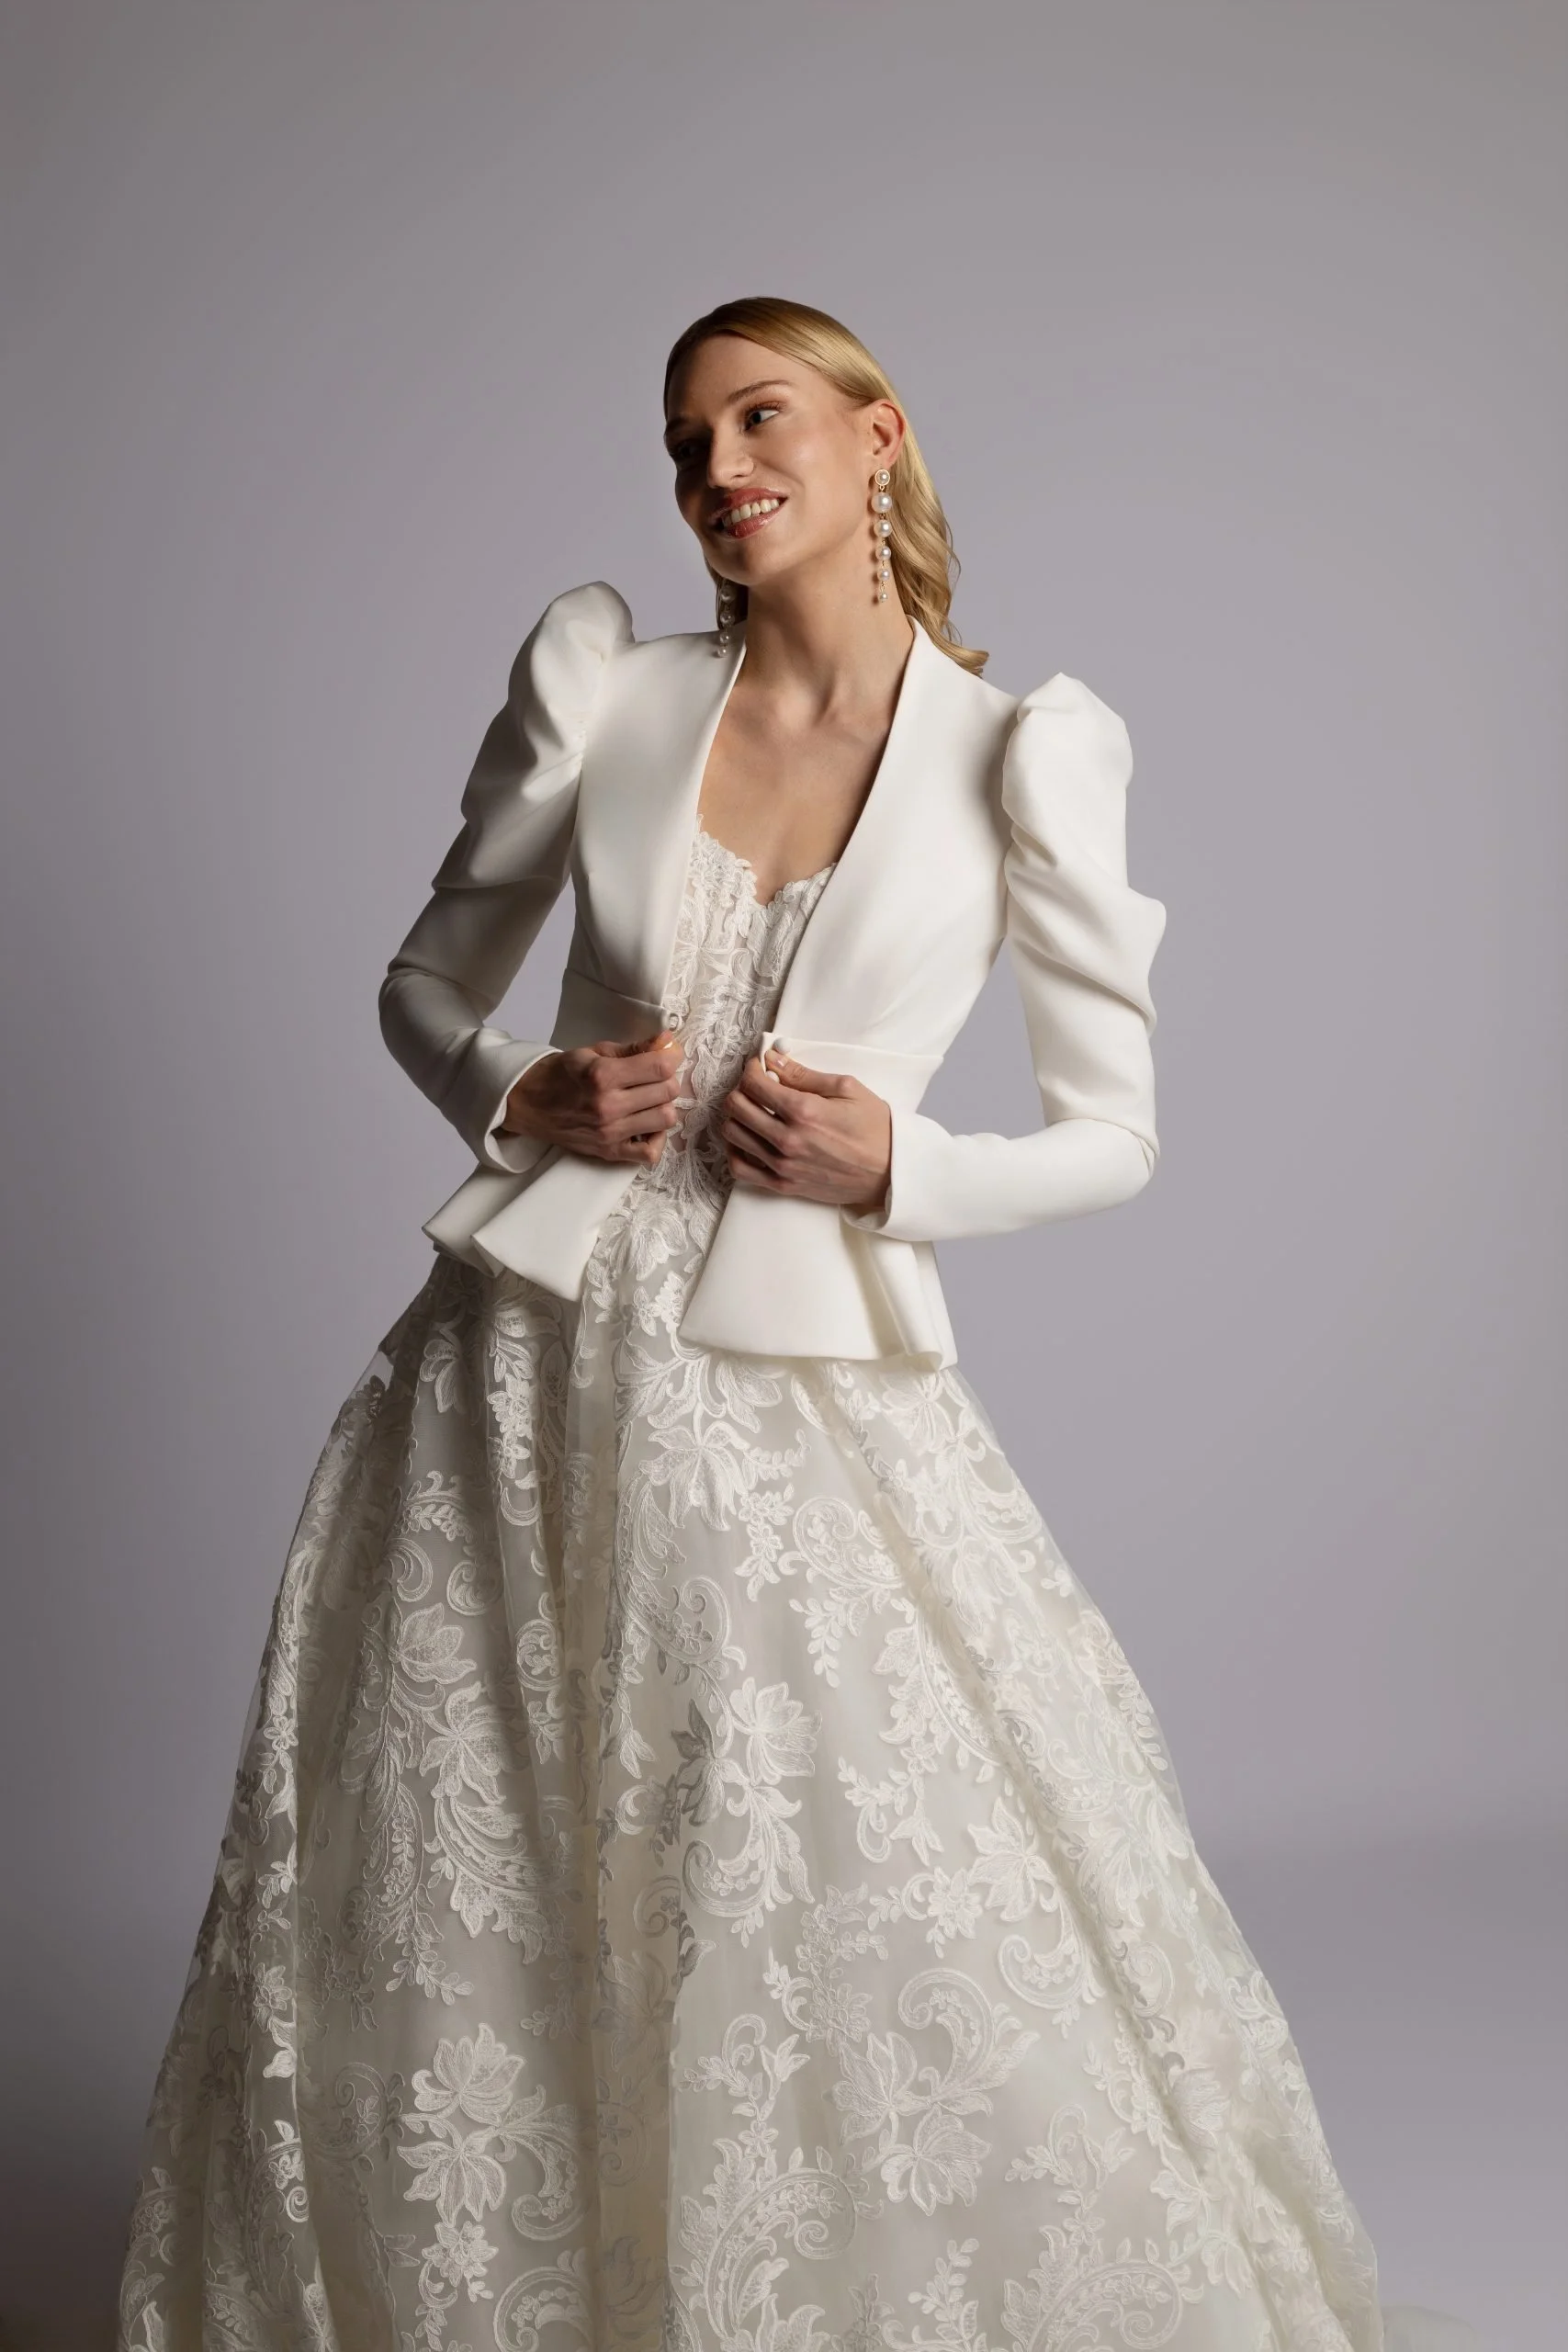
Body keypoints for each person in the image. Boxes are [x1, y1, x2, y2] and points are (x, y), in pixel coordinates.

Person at [115, 298, 1474, 2352]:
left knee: (783, 1873)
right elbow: (420, 980)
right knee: (499, 1873)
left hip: (797, 1394)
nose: (717, 471)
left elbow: (1114, 1134)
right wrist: (517, 1088)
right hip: (515, 1387)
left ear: (873, 442)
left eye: (759, 420)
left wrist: (899, 1165)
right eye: (684, 442)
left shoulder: (1023, 751)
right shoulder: (608, 686)